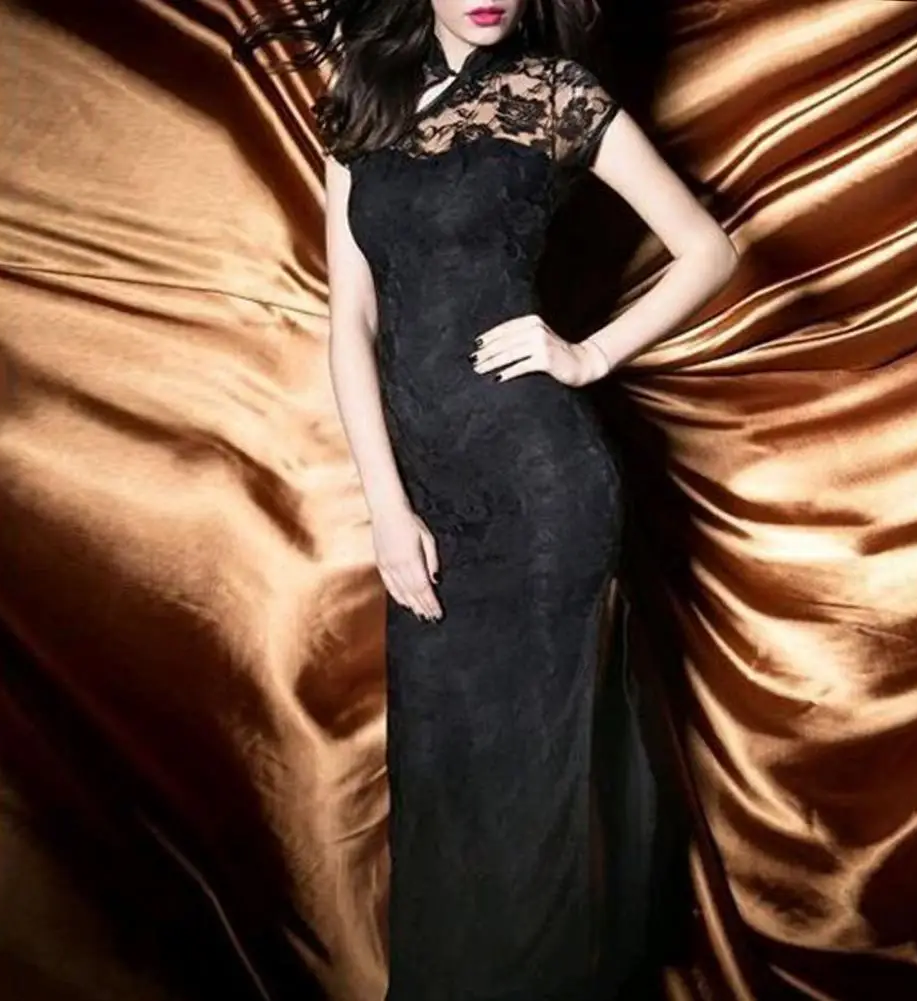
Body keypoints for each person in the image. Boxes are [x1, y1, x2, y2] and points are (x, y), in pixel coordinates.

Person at [239, 2, 737, 999]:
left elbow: (706, 249)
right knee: (443, 791)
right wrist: (387, 508)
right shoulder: (362, 102)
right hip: (427, 496)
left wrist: (588, 353)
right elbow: (350, 321)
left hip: (538, 495)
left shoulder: (553, 94)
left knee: (523, 807)